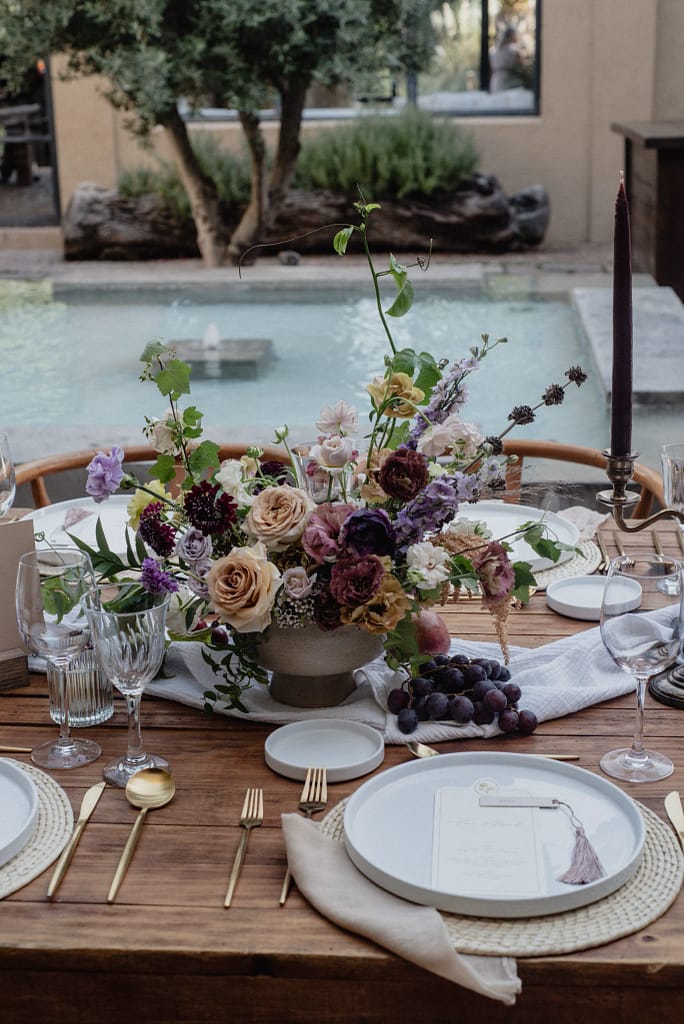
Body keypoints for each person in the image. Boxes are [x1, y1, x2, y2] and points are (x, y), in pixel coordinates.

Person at [489, 26, 525, 93]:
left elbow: (491, 69)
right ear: (512, 36)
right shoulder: (513, 49)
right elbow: (521, 63)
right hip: (508, 81)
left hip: (495, 81)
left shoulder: (494, 50)